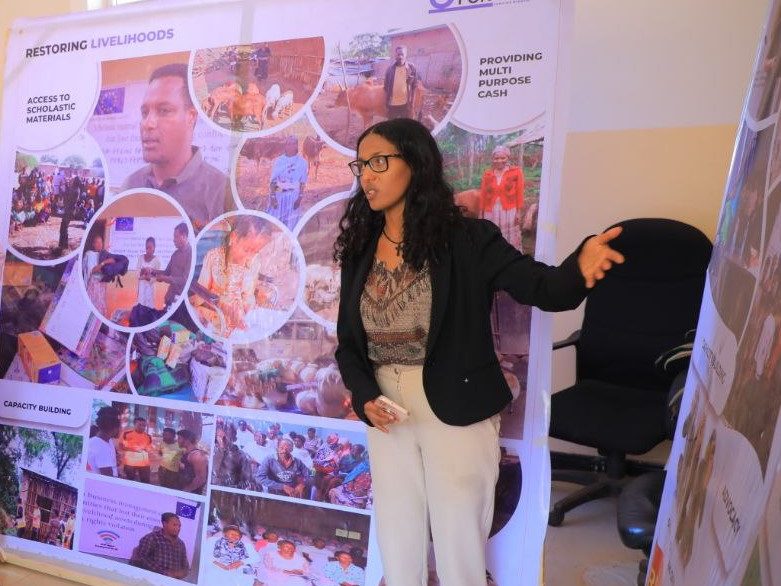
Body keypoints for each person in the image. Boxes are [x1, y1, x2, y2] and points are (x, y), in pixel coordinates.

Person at [333, 118, 624, 585]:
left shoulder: (468, 240)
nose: (367, 175)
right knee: (397, 533)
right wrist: (366, 395)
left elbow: (544, 287)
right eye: (361, 165)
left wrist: (579, 267)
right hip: (385, 409)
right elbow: (349, 342)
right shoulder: (360, 248)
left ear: (416, 163)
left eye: (379, 162)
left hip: (456, 399)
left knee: (459, 541)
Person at [122, 62, 230, 231]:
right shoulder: (131, 185)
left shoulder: (220, 192)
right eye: (145, 113)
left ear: (191, 117)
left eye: (164, 111)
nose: (148, 123)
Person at [191, 215, 273, 336]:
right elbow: (200, 297)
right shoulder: (213, 257)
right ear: (234, 237)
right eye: (246, 249)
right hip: (215, 315)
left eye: (256, 251)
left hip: (241, 319)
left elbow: (248, 296)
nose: (249, 256)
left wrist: (248, 307)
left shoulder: (254, 261)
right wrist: (222, 305)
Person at [479, 145, 525, 251]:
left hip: (509, 211)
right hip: (491, 211)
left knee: (508, 238)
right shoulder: (487, 174)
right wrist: (481, 212)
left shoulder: (516, 172)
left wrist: (518, 212)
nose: (499, 160)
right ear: (493, 159)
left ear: (508, 158)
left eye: (503, 158)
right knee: (492, 234)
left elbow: (519, 193)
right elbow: (483, 194)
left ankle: (509, 255)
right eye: (496, 158)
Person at [130, 512, 190, 579]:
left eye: (179, 526)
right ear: (164, 524)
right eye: (174, 525)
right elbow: (140, 559)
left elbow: (186, 567)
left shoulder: (181, 544)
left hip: (173, 582)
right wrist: (164, 573)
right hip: (151, 580)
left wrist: (182, 573)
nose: (178, 528)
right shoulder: (152, 538)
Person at [267, 136, 308, 230]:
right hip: (279, 195)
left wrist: (300, 198)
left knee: (291, 226)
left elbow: (302, 182)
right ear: (285, 146)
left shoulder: (302, 162)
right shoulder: (279, 161)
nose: (291, 146)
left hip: (293, 197)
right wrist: (272, 197)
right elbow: (273, 181)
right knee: (276, 225)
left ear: (296, 146)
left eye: (293, 144)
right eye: (289, 144)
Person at [151, 222, 192, 312]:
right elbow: (166, 272)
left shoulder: (191, 254)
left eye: (176, 237)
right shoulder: (175, 254)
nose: (174, 240)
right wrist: (152, 271)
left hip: (181, 302)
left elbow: (185, 280)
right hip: (169, 298)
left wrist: (164, 278)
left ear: (184, 236)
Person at [129, 237, 162, 327]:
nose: (148, 250)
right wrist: (142, 272)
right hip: (141, 287)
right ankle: (139, 327)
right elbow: (137, 274)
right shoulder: (141, 258)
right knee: (140, 309)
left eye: (150, 247)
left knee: (148, 310)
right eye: (147, 247)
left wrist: (149, 278)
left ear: (154, 247)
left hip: (150, 289)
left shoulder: (157, 260)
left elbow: (157, 277)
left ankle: (147, 328)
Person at [383, 46, 418, 119]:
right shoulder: (389, 69)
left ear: (406, 55)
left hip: (406, 105)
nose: (400, 57)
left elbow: (414, 86)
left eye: (402, 54)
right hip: (392, 105)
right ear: (395, 56)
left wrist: (412, 103)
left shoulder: (411, 68)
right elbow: (385, 87)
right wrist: (386, 102)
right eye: (398, 54)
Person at [83, 233, 113, 315]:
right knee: (93, 309)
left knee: (101, 309)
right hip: (94, 285)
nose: (100, 244)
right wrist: (104, 263)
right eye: (97, 242)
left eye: (101, 242)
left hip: (102, 285)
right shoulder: (89, 254)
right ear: (93, 244)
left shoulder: (103, 254)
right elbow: (92, 270)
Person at [87, 406, 121, 477]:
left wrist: (114, 461)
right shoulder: (102, 448)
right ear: (115, 428)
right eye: (119, 427)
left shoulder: (106, 440)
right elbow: (109, 478)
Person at [121, 416, 153, 483]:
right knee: (130, 481)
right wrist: (134, 449)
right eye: (140, 425)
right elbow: (121, 446)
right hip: (130, 463)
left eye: (144, 425)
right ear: (134, 424)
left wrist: (148, 450)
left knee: (146, 482)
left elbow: (149, 449)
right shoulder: (126, 434)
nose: (142, 427)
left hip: (144, 463)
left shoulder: (148, 436)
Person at [176, 429, 208, 494]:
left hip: (191, 493)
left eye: (179, 438)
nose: (177, 440)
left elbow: (201, 479)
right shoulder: (187, 452)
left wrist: (185, 491)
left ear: (187, 440)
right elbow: (190, 469)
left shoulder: (197, 455)